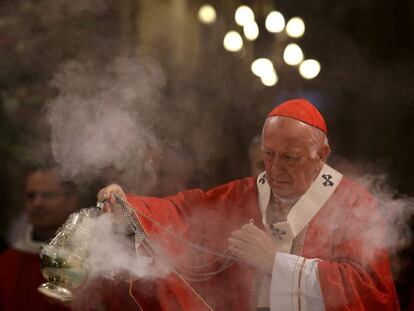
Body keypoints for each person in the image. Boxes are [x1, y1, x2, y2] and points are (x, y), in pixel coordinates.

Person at [98, 98, 400, 310]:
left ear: (322, 154)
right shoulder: (245, 195)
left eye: (290, 158)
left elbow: (370, 291)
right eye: (269, 155)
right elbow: (187, 212)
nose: (274, 169)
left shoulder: (352, 204)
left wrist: (277, 264)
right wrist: (131, 207)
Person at [0, 164, 79, 310]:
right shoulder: (8, 261)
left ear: (71, 201)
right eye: (31, 196)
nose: (37, 203)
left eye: (48, 195)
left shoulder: (88, 261)